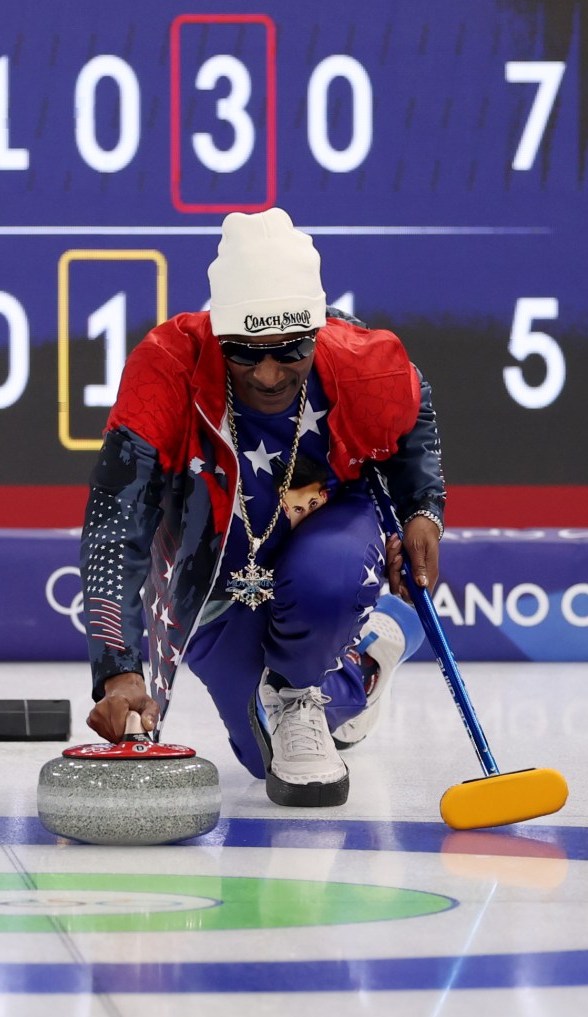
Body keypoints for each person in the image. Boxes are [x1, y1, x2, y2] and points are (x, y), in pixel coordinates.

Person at [81, 207, 445, 807]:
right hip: (214, 563)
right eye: (245, 353)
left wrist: (423, 512)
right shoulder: (164, 368)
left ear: (318, 330)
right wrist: (119, 668)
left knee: (323, 595)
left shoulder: (365, 363)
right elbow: (117, 522)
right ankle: (366, 661)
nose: (270, 374)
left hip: (324, 521)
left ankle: (307, 681)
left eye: (290, 350)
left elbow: (414, 423)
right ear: (218, 331)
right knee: (260, 757)